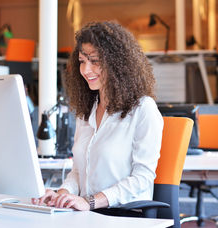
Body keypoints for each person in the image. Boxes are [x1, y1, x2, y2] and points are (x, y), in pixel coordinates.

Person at [32, 21, 164, 212]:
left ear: (117, 63)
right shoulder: (87, 111)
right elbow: (78, 171)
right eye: (82, 62)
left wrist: (91, 201)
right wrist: (61, 195)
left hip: (123, 215)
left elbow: (142, 179)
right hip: (87, 214)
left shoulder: (143, 109)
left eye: (95, 61)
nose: (86, 70)